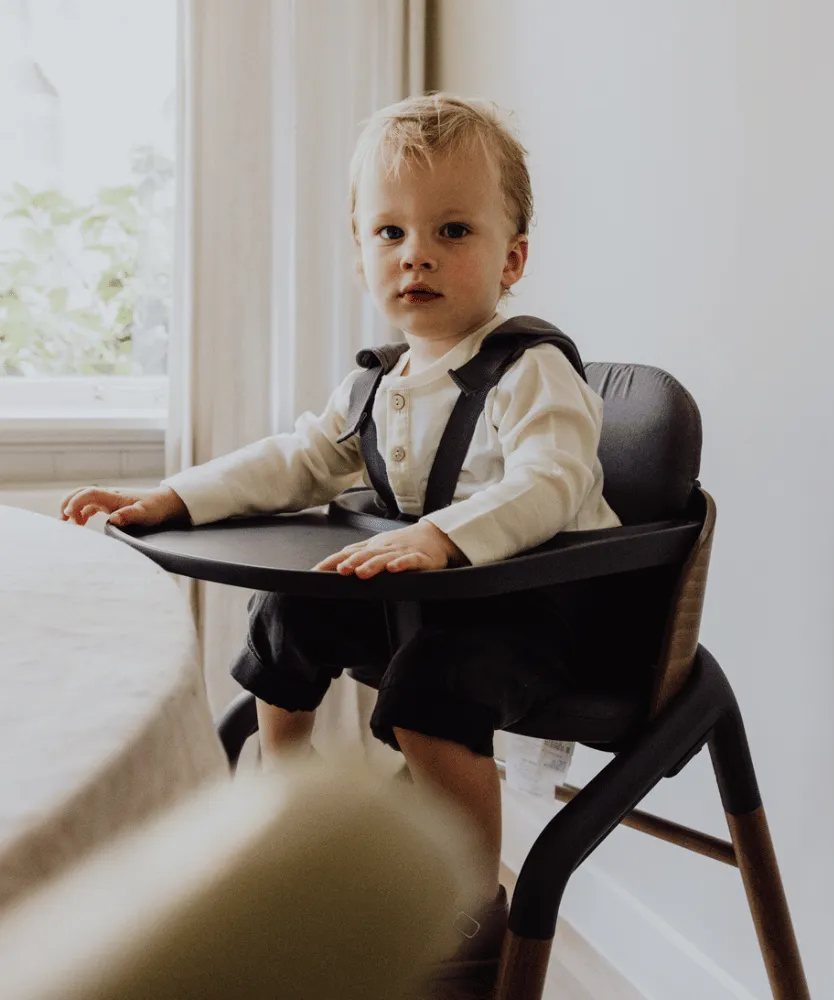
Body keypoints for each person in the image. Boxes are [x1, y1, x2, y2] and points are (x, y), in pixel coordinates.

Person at [61, 93, 621, 998]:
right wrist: (172, 498)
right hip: (429, 600)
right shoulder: (381, 383)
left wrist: (440, 537)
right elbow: (295, 463)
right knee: (291, 609)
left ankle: (468, 904)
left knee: (431, 694)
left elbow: (551, 484)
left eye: (451, 229)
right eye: (390, 232)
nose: (417, 254)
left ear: (512, 258)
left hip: (542, 610)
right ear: (361, 255)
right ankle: (288, 783)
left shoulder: (534, 369)